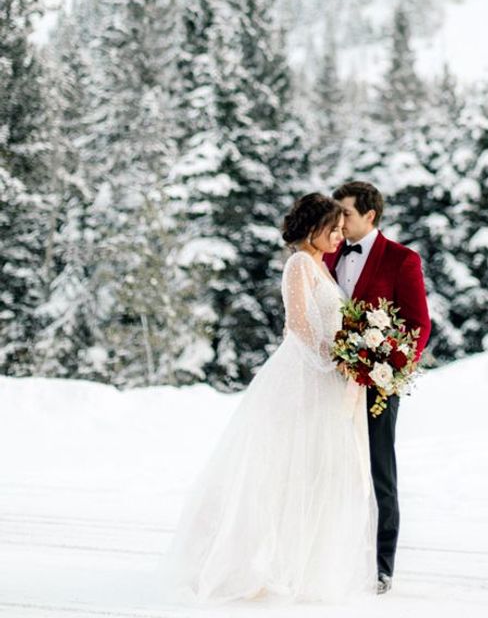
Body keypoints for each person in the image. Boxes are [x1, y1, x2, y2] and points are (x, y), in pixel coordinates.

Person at [157, 193, 379, 604]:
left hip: (326, 377)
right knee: (284, 467)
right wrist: (336, 360)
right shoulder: (299, 264)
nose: (338, 235)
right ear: (313, 228)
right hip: (304, 374)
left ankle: (301, 564)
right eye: (332, 228)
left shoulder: (322, 266)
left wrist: (350, 357)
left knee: (319, 469)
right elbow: (298, 324)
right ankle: (253, 564)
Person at [325, 180, 432, 595]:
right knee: (332, 467)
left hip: (377, 384)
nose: (339, 221)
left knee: (378, 472)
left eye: (346, 214)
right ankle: (334, 557)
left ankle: (381, 565)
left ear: (369, 215)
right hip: (331, 381)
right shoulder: (328, 253)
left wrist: (386, 369)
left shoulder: (401, 260)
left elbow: (417, 324)